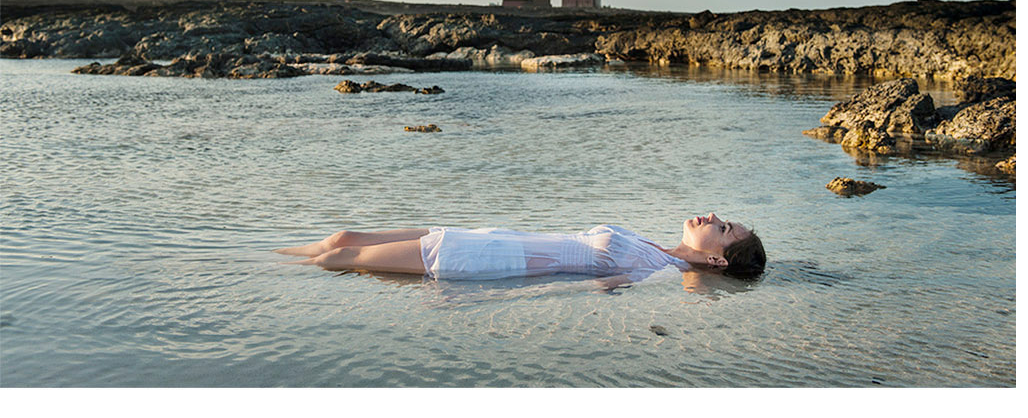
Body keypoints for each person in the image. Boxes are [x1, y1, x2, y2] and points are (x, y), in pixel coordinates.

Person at [277, 213, 766, 288]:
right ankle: (261, 258)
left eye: (722, 228)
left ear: (719, 259)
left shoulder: (654, 266)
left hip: (483, 261)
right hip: (489, 239)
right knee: (342, 241)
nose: (710, 217)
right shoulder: (651, 247)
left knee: (341, 258)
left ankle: (238, 270)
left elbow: (601, 289)